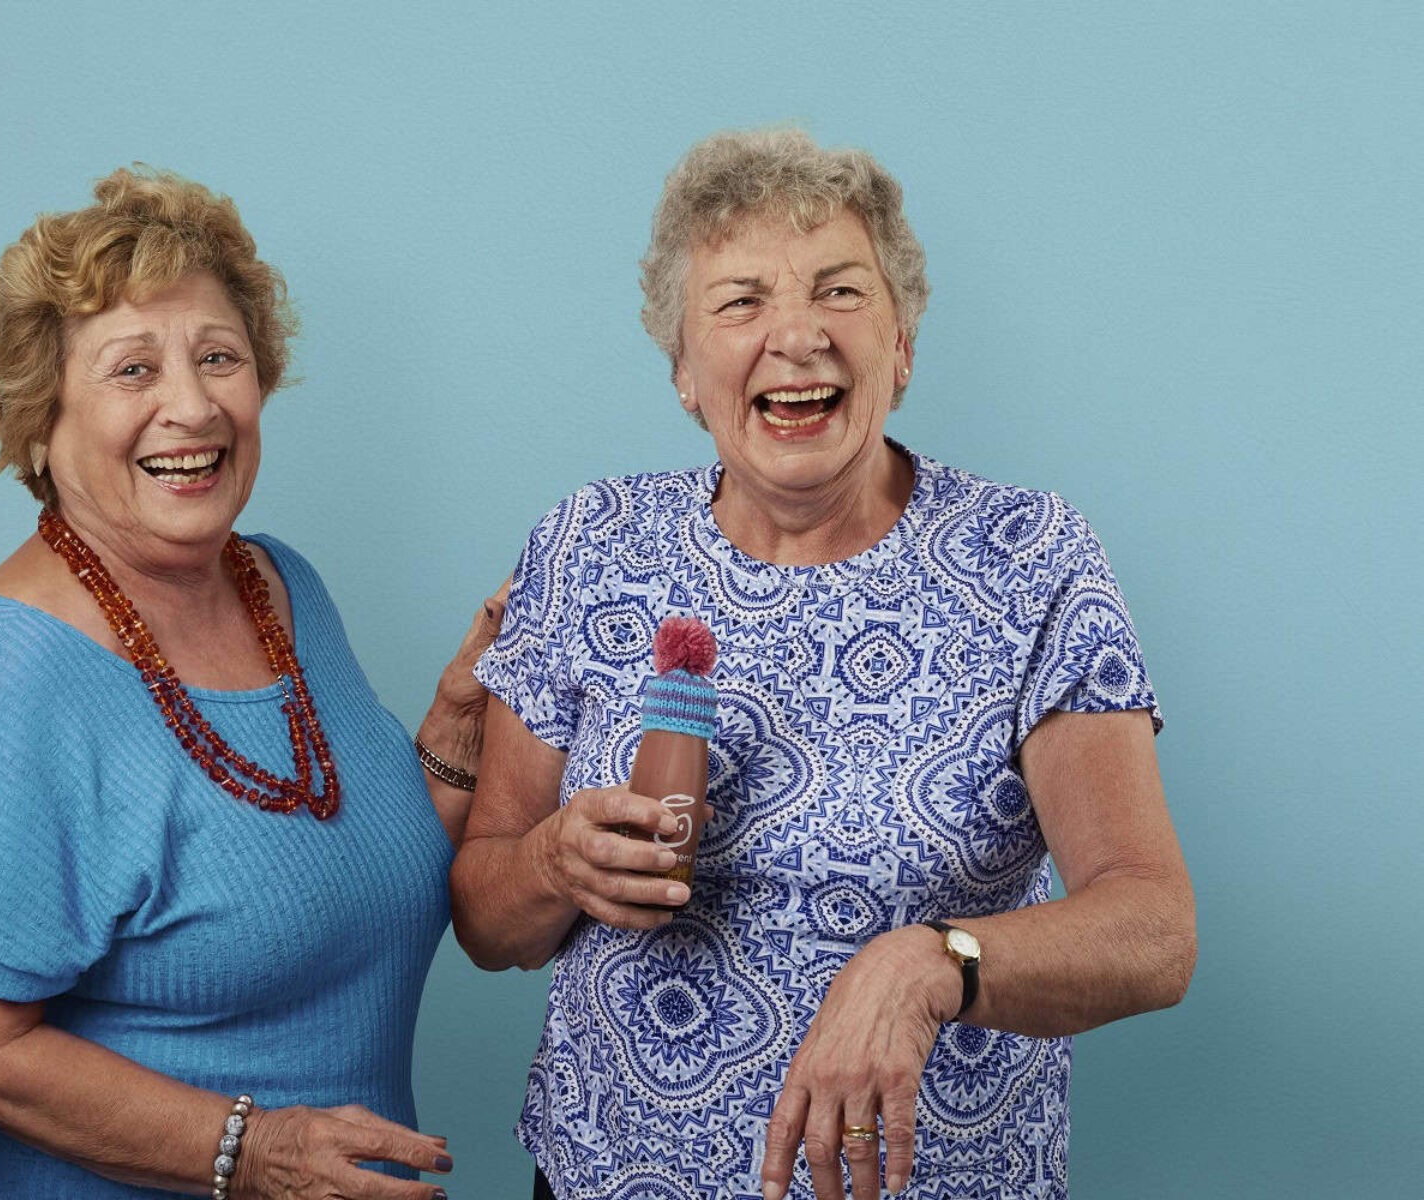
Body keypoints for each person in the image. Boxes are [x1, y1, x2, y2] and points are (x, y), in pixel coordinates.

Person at [450, 128, 1196, 1200]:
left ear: (901, 347)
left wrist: (933, 963)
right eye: (740, 301)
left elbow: (1154, 928)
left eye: (841, 293)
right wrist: (555, 867)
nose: (796, 336)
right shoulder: (591, 541)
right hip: (612, 1174)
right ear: (682, 372)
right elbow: (486, 919)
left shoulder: (1031, 558)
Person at [0, 166, 499, 1199]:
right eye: (132, 370)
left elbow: (336, 877)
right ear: (42, 417)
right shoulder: (17, 679)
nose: (193, 405)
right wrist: (255, 1152)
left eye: (220, 357)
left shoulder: (279, 586)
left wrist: (455, 734)